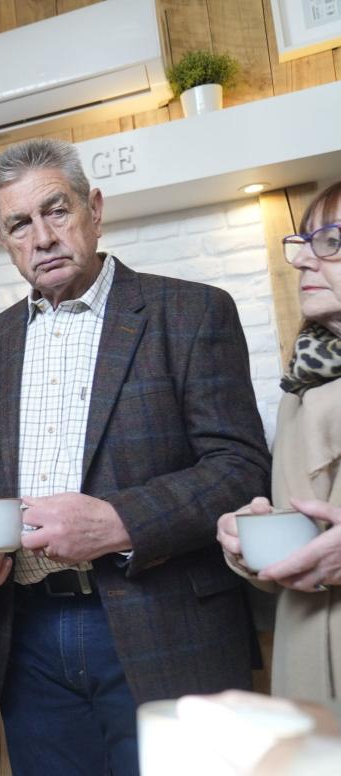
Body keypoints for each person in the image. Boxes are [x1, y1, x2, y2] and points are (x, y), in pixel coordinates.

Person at [0, 138, 272, 775]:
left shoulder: (193, 311)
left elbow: (238, 468)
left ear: (94, 209)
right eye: (19, 224)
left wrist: (119, 522)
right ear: (1, 238)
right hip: (29, 638)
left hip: (166, 627)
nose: (41, 236)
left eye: (56, 210)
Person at [217, 180, 341, 718]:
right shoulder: (302, 385)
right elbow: (302, 538)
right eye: (303, 242)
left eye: (331, 241)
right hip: (306, 660)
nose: (304, 262)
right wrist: (249, 537)